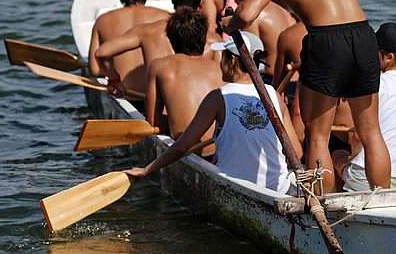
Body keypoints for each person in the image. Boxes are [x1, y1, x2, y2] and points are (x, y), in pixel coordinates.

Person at [222, 0, 390, 193]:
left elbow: (247, 15)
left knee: (318, 136)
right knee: (371, 131)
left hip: (326, 41)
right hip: (364, 35)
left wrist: (230, 21)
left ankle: (322, 204)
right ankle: (383, 200)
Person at [125, 32, 302, 193]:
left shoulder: (218, 97)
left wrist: (146, 170)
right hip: (280, 188)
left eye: (222, 56)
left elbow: (182, 146)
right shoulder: (275, 95)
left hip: (237, 190)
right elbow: (297, 152)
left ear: (231, 61)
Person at [333, 22, 396, 191]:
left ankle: (335, 200)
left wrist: (350, 159)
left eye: (372, 51)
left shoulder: (376, 84)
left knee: (336, 153)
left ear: (389, 57)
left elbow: (358, 137)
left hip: (368, 177)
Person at [93, 0, 208, 90]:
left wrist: (114, 79)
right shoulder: (171, 20)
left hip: (128, 94)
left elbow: (95, 67)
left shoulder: (103, 20)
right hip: (171, 94)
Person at [88, 0, 168, 104]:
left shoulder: (103, 21)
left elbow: (95, 69)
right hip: (158, 99)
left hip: (125, 96)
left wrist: (113, 77)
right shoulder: (167, 18)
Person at [145, 7, 223, 142]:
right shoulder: (221, 69)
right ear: (204, 39)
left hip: (185, 149)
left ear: (171, 40)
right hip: (220, 151)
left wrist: (174, 119)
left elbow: (153, 120)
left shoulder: (159, 66)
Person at [224, 0, 295, 82]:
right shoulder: (281, 5)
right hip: (295, 78)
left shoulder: (251, 14)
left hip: (274, 81)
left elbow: (247, 59)